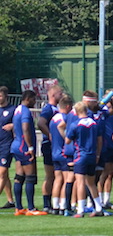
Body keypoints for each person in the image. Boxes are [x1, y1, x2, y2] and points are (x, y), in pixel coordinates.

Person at [66, 100, 105, 217]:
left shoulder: (75, 125)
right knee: (91, 183)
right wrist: (97, 154)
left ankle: (80, 210)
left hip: (80, 156)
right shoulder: (94, 123)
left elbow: (67, 140)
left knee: (80, 183)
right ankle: (98, 207)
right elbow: (99, 141)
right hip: (92, 156)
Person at [11, 90, 46, 215]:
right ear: (29, 98)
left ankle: (19, 207)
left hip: (16, 145)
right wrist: (30, 147)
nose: (34, 102)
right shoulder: (25, 111)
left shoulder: (17, 109)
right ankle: (31, 208)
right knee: (30, 176)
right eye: (33, 99)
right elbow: (25, 128)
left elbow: (15, 128)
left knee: (19, 176)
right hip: (24, 147)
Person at [37, 84, 63, 213]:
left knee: (56, 176)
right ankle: (47, 203)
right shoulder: (49, 109)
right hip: (49, 145)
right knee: (50, 176)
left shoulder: (57, 109)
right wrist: (50, 135)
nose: (62, 96)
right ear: (53, 95)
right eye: (60, 94)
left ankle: (55, 202)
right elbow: (41, 123)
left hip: (56, 146)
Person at [96, 90, 113, 211]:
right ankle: (99, 200)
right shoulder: (102, 111)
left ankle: (107, 200)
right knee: (103, 174)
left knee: (111, 174)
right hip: (105, 145)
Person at [49, 96, 73, 216]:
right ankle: (63, 206)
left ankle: (55, 206)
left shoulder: (53, 118)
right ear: (68, 106)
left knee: (57, 179)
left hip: (54, 152)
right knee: (66, 179)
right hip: (64, 153)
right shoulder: (66, 118)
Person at [0, 85, 18, 209]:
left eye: (0, 95)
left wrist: (13, 125)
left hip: (6, 145)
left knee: (2, 172)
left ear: (5, 96)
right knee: (4, 175)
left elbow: (22, 123)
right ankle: (11, 201)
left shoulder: (13, 110)